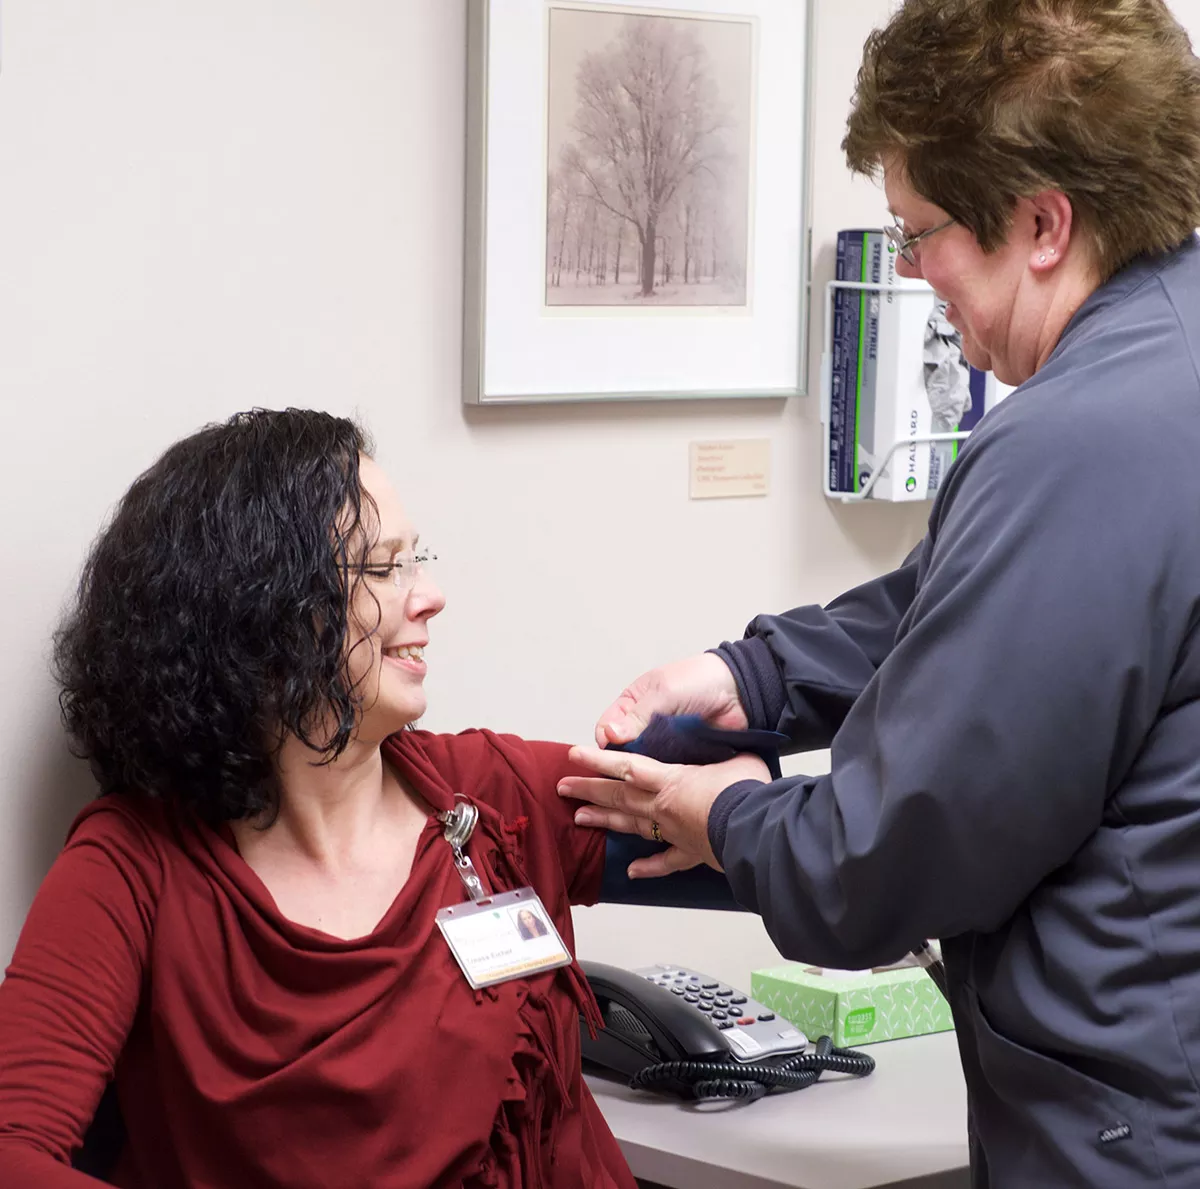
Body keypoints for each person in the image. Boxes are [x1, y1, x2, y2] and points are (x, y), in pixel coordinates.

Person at [558, 1, 1200, 1184]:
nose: (913, 273)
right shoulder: (1166, 361)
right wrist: (753, 674)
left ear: (1042, 222)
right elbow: (973, 602)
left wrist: (728, 813)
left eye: (920, 234)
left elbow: (880, 863)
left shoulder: (1080, 443)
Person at [0, 409, 636, 1188]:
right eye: (382, 568)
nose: (430, 597)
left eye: (418, 560)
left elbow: (764, 834)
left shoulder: (492, 795)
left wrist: (753, 688)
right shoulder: (134, 868)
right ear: (263, 615)